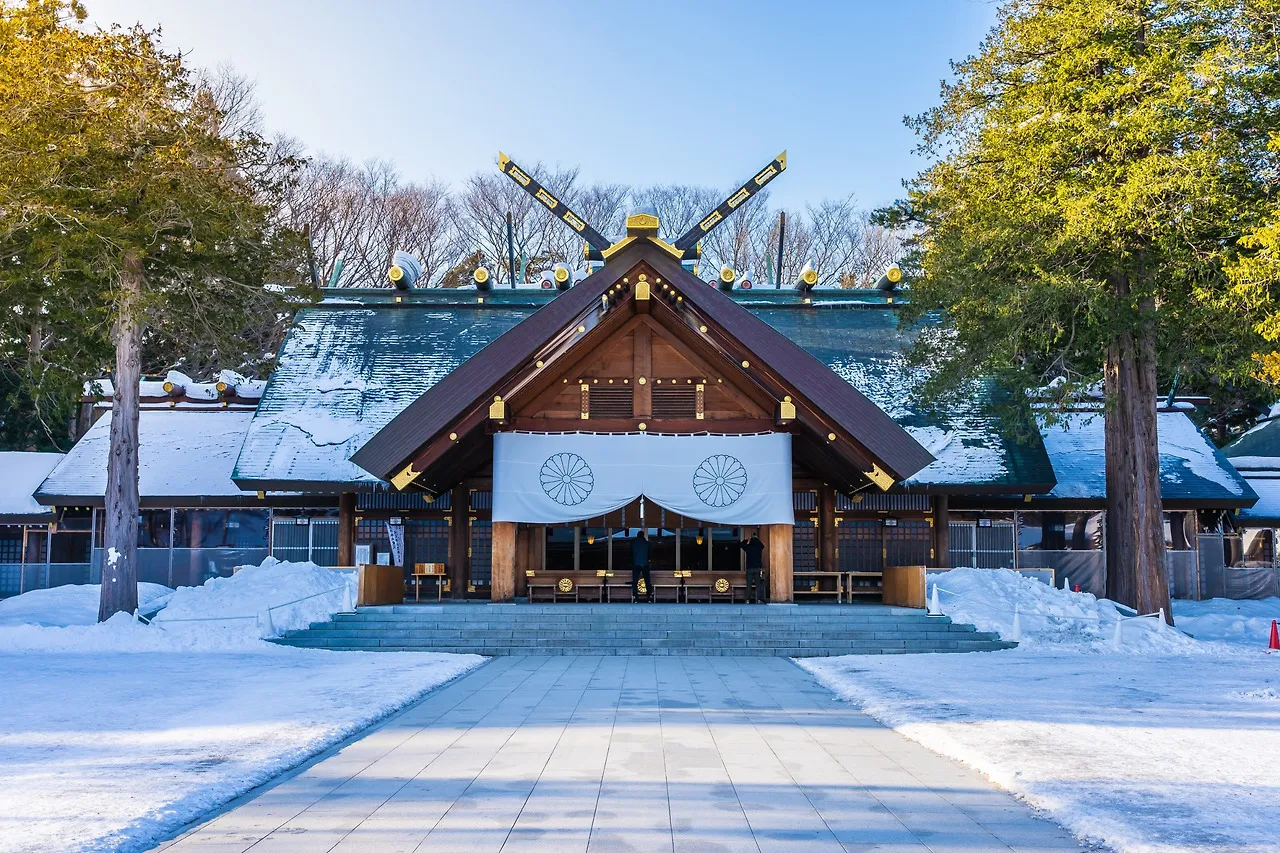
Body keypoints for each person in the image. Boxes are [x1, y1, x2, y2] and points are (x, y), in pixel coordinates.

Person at [739, 530, 766, 603]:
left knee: (749, 585)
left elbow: (741, 545)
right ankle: (759, 599)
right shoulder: (759, 547)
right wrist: (757, 538)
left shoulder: (748, 547)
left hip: (749, 568)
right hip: (757, 568)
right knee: (758, 585)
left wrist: (747, 539)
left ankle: (747, 599)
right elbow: (762, 545)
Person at [630, 530, 653, 603]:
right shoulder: (647, 543)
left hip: (636, 564)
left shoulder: (633, 543)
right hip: (645, 564)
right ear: (643, 536)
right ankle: (649, 597)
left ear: (637, 536)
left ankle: (635, 598)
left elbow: (630, 554)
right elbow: (650, 554)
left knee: (635, 581)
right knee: (647, 581)